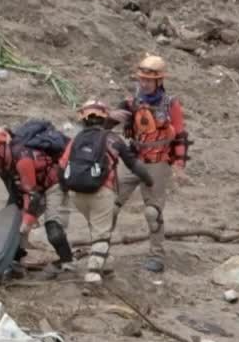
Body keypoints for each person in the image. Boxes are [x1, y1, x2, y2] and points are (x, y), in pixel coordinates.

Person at [59, 100, 154, 284]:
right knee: (102, 233)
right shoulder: (113, 139)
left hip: (76, 195)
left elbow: (62, 167)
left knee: (96, 227)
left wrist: (65, 192)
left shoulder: (75, 140)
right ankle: (93, 275)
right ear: (105, 118)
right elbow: (134, 165)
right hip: (102, 191)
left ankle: (106, 264)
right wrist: (149, 180)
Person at [112, 55, 190, 273]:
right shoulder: (131, 102)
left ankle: (157, 254)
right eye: (142, 79)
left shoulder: (170, 104)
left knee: (152, 212)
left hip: (158, 160)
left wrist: (179, 165)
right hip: (133, 157)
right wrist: (110, 116)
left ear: (159, 81)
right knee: (109, 205)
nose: (144, 83)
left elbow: (180, 134)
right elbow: (103, 124)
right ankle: (100, 248)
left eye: (148, 80)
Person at [0, 123, 75, 274]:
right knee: (10, 226)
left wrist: (26, 224)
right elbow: (15, 193)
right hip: (31, 190)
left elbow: (35, 198)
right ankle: (15, 262)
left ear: (2, 148)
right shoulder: (2, 167)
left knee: (53, 230)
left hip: (52, 186)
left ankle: (68, 261)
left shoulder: (23, 159)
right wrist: (14, 220)